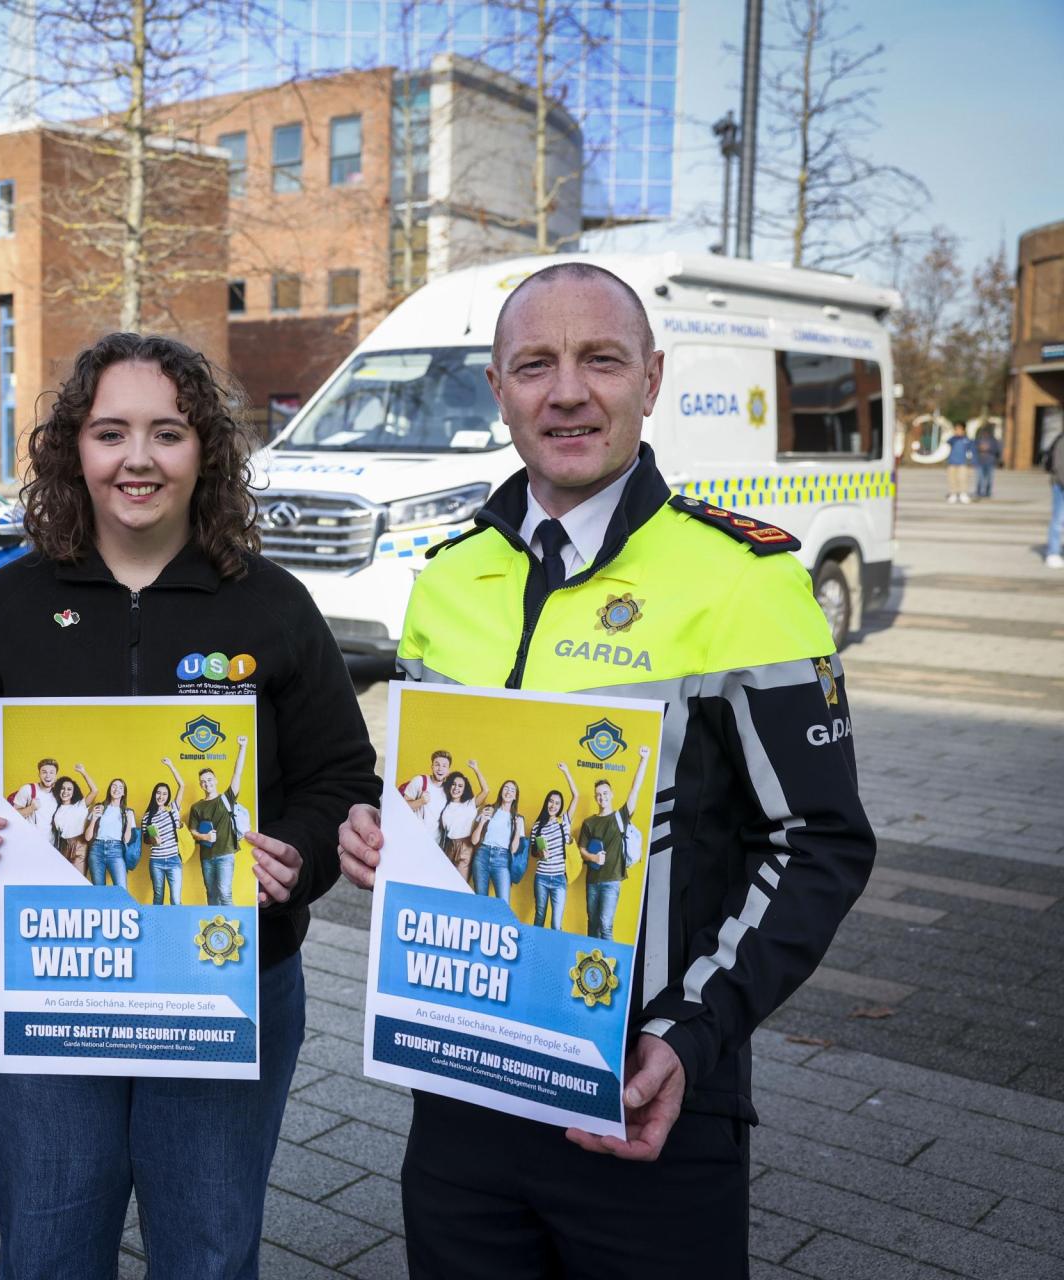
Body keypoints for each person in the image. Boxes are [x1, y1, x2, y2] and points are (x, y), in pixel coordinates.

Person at [336, 261, 874, 1279]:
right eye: (535, 363)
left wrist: (689, 1033)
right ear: (497, 387)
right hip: (459, 1092)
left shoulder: (744, 579)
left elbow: (820, 842)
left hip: (645, 1093)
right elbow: (435, 790)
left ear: (651, 379)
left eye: (601, 359)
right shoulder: (448, 576)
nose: (568, 390)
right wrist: (381, 825)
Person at [0, 332, 379, 1280]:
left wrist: (297, 854)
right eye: (110, 432)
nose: (138, 459)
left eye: (167, 432)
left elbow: (341, 777)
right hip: (50, 988)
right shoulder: (7, 606)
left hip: (225, 985)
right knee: (47, 1253)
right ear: (72, 452)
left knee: (208, 1256)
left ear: (205, 449)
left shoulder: (273, 607)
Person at [578, 745, 651, 940]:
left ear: (611, 794)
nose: (602, 797)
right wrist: (592, 856)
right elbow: (581, 849)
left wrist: (643, 760)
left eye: (605, 793)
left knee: (605, 925)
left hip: (612, 880)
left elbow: (635, 789)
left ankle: (607, 968)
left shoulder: (621, 816)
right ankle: (588, 966)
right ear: (596, 798)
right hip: (592, 881)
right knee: (592, 924)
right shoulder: (589, 822)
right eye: (599, 794)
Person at [187, 737, 250, 907]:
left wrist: (242, 747)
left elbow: (237, 772)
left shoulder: (226, 798)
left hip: (225, 854)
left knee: (225, 893)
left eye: (209, 780)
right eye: (203, 782)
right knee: (212, 894)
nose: (206, 783)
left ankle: (231, 930)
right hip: (206, 857)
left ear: (215, 780)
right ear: (201, 785)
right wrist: (204, 837)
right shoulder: (197, 807)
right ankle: (214, 930)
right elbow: (192, 831)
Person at [529, 764, 579, 928]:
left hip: (559, 879)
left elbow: (576, 795)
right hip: (541, 878)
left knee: (556, 924)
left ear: (560, 807)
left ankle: (554, 953)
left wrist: (566, 771)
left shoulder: (563, 822)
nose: (553, 805)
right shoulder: (537, 826)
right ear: (546, 803)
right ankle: (536, 952)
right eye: (551, 801)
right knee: (539, 917)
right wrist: (540, 854)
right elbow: (533, 852)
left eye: (557, 803)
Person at [142, 759, 187, 905]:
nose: (161, 796)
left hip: (174, 859)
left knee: (176, 899)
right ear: (154, 794)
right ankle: (158, 928)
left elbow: (182, 785)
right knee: (158, 897)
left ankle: (177, 928)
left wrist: (171, 766)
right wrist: (153, 841)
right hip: (156, 861)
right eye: (158, 793)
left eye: (164, 794)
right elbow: (145, 839)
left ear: (168, 796)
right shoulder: (147, 816)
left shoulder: (172, 809)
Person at [471, 778, 524, 901]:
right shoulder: (489, 809)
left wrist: (518, 829)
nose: (508, 792)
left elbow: (514, 849)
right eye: (506, 788)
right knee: (480, 901)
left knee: (503, 904)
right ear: (501, 791)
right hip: (482, 855)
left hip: (502, 859)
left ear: (515, 796)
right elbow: (474, 841)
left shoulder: (517, 818)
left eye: (512, 790)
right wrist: (482, 822)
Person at [87, 775, 135, 887]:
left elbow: (127, 840)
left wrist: (129, 821)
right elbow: (87, 837)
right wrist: (93, 819)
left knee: (121, 890)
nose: (116, 789)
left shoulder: (127, 812)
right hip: (96, 850)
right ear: (109, 789)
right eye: (114, 786)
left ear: (124, 793)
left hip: (116, 850)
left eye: (120, 787)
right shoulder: (99, 807)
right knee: (99, 891)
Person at [435, 766, 482, 880]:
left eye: (460, 786)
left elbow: (486, 790)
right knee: (446, 881)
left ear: (464, 789)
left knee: (461, 883)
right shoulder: (444, 805)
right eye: (454, 784)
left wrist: (476, 769)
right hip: (449, 846)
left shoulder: (470, 804)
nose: (456, 788)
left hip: (465, 846)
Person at [1045, 431, 1064, 570]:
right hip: (1060, 485)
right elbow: (1059, 466)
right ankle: (1053, 553)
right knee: (1058, 519)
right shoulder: (1062, 441)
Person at [946, 422, 975, 504]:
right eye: (956, 429)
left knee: (963, 479)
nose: (957, 431)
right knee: (952, 479)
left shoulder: (967, 440)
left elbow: (972, 451)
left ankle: (963, 494)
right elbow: (948, 441)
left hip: (963, 463)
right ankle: (953, 494)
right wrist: (955, 436)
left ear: (963, 430)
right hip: (952, 462)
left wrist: (972, 462)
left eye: (959, 429)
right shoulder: (953, 439)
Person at [973, 424, 1001, 499]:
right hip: (980, 462)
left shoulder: (993, 440)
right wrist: (979, 448)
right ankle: (979, 492)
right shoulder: (978, 439)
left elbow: (997, 450)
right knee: (980, 478)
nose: (985, 433)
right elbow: (974, 449)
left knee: (989, 479)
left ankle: (988, 493)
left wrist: (988, 448)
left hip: (990, 462)